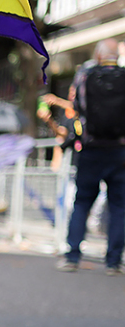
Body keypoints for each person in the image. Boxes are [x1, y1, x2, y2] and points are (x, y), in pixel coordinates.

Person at [57, 38, 125, 275]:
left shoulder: (85, 76)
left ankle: (72, 257)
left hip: (91, 148)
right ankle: (113, 262)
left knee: (82, 202)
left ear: (98, 55)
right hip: (119, 151)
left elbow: (77, 106)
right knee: (119, 207)